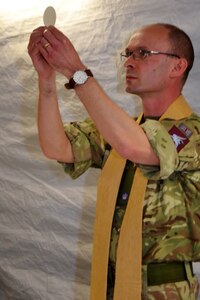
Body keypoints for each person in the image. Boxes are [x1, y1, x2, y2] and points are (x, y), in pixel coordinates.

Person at [28, 22, 200, 300]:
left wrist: (77, 72)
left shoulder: (192, 132)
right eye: (128, 54)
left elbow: (137, 146)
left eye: (143, 53)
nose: (129, 62)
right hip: (112, 285)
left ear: (177, 66)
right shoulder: (121, 129)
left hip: (164, 292)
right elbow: (56, 146)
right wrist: (46, 81)